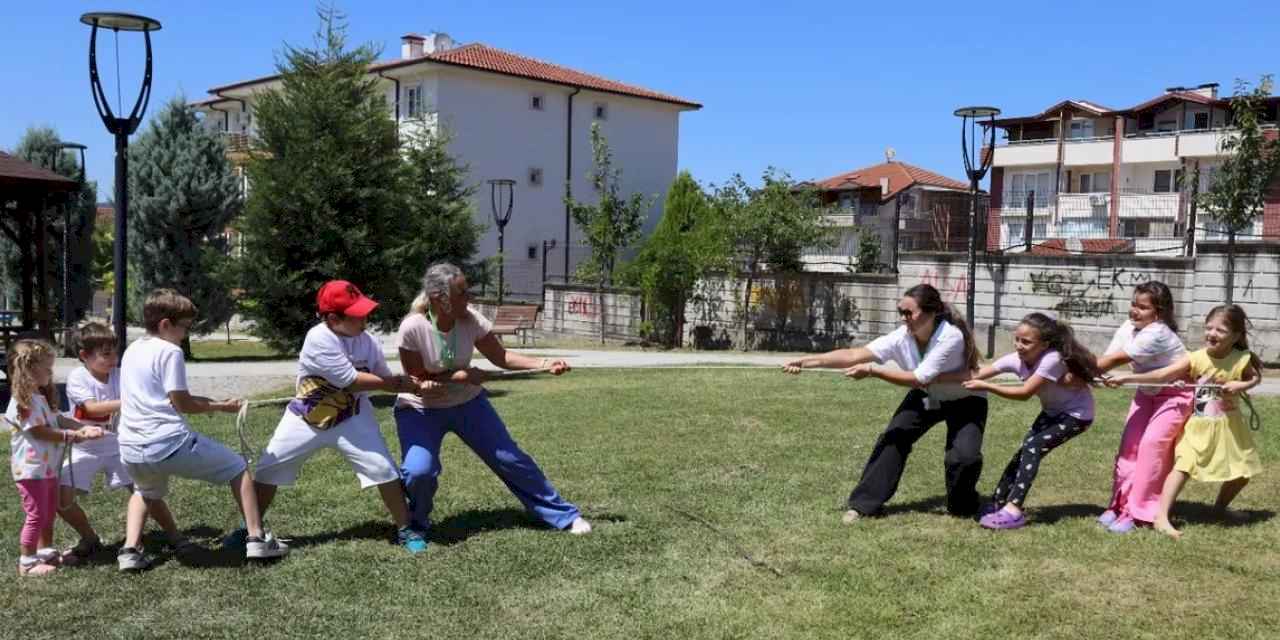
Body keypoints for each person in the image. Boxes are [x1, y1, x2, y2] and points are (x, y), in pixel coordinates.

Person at [226, 280, 430, 553]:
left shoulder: (367, 340)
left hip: (353, 416)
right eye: (358, 314)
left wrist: (408, 383)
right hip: (307, 418)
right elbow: (351, 380)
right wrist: (394, 383)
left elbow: (382, 373)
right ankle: (250, 528)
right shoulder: (319, 337)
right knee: (268, 468)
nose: (365, 318)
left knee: (383, 469)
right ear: (333, 318)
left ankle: (406, 528)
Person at [394, 262, 590, 543]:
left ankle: (562, 515)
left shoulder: (470, 319)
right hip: (421, 408)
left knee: (510, 459)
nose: (469, 298)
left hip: (468, 403)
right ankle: (417, 523)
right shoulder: (413, 327)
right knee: (418, 471)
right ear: (439, 299)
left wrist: (544, 363)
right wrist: (459, 375)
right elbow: (416, 379)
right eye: (462, 293)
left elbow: (502, 357)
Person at [783, 283, 987, 523]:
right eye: (901, 312)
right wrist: (806, 361)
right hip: (927, 396)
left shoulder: (950, 336)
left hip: (966, 398)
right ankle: (864, 505)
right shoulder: (901, 337)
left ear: (932, 312)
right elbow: (853, 355)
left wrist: (873, 371)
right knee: (893, 438)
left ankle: (962, 504)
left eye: (909, 313)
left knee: (963, 457)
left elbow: (919, 377)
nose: (903, 318)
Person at [117, 289, 288, 571]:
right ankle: (257, 538)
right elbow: (182, 403)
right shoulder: (170, 351)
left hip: (131, 448)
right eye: (184, 328)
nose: (186, 335)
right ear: (165, 325)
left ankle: (130, 551)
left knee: (143, 490)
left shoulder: (133, 349)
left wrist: (214, 403)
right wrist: (220, 407)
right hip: (167, 441)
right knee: (237, 468)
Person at [1107, 304, 1263, 538]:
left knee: (1242, 474)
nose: (1212, 334)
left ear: (1236, 336)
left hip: (1229, 428)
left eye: (1220, 330)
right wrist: (1127, 377)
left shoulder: (1242, 359)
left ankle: (1219, 508)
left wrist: (1241, 385)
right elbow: (1162, 375)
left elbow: (1254, 378)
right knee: (1183, 467)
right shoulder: (1195, 358)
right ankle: (1161, 517)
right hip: (1198, 426)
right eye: (1209, 328)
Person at [952, 313, 1100, 530]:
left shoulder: (1052, 359)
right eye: (1017, 339)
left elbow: (1024, 393)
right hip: (1052, 413)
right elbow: (977, 374)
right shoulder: (1015, 359)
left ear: (1045, 344)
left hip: (1076, 415)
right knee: (1022, 453)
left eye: (1026, 342)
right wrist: (937, 377)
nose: (1019, 345)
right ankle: (997, 502)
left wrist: (988, 387)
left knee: (1034, 446)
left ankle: (1013, 509)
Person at [56, 322, 185, 565]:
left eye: (115, 352)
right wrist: (133, 399)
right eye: (106, 354)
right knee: (61, 500)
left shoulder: (121, 373)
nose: (113, 358)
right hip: (85, 447)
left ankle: (175, 536)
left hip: (120, 444)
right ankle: (89, 538)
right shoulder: (77, 377)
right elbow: (91, 408)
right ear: (84, 356)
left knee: (146, 491)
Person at [1095, 281, 1191, 534]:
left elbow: (1116, 360)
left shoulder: (1157, 332)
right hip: (1146, 392)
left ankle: (1140, 511)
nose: (1134, 311)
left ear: (1158, 313)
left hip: (1175, 395)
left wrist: (1074, 375)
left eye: (1142, 307)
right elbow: (1108, 357)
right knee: (1129, 447)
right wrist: (1088, 371)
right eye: (1133, 304)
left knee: (1151, 449)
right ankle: (1119, 504)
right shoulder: (1129, 327)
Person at [6, 339, 104, 576]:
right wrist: (72, 436)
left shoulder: (39, 397)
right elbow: (39, 431)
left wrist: (83, 427)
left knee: (48, 512)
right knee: (36, 514)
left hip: (47, 468)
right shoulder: (23, 403)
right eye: (47, 368)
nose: (51, 372)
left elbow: (58, 419)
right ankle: (27, 562)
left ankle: (45, 551)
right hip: (30, 470)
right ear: (28, 370)